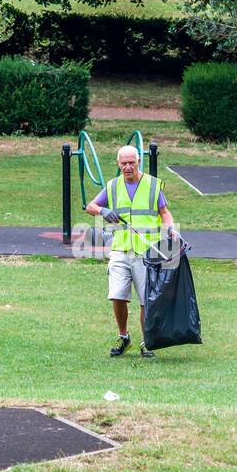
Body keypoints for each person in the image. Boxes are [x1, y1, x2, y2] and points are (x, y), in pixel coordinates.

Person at [85, 145, 178, 358]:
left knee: (146, 299)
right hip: (120, 249)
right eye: (123, 163)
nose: (128, 167)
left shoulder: (153, 185)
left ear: (139, 162)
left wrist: (170, 228)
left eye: (131, 163)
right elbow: (91, 206)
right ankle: (124, 336)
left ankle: (147, 341)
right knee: (117, 295)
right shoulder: (113, 186)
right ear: (118, 164)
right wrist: (103, 210)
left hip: (146, 251)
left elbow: (164, 212)